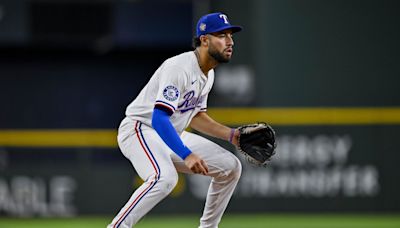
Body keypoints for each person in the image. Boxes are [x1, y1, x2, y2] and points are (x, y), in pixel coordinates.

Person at [108, 12, 243, 228]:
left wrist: (232, 135)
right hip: (140, 129)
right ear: (204, 40)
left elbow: (196, 116)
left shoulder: (208, 73)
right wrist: (186, 154)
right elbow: (159, 117)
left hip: (169, 134)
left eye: (230, 35)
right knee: (165, 178)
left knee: (231, 167)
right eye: (222, 35)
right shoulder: (179, 68)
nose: (230, 41)